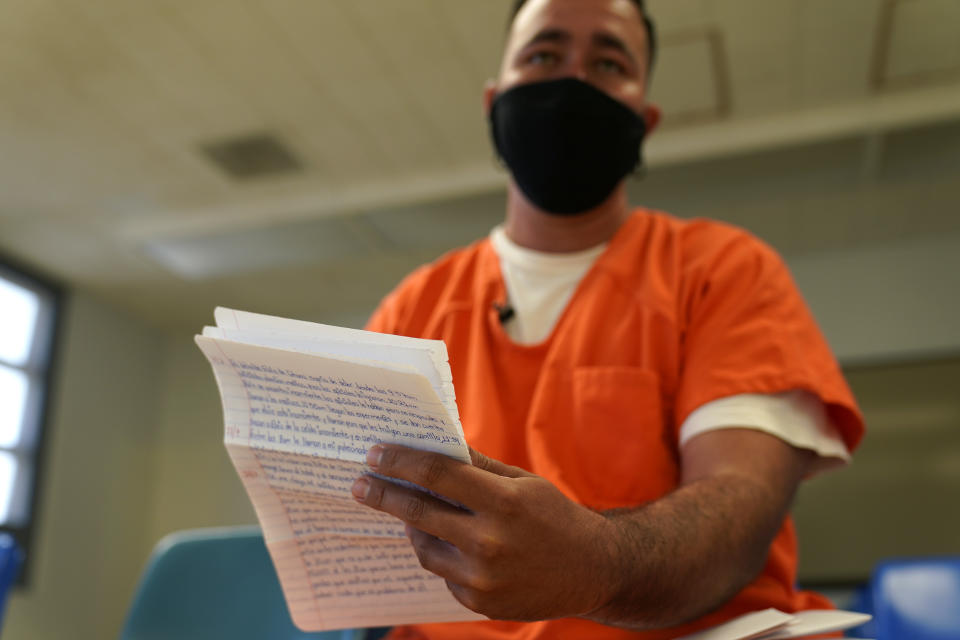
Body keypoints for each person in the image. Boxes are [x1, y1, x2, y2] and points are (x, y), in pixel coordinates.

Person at [350, 0, 865, 638]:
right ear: (494, 102)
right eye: (544, 54)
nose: (573, 81)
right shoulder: (411, 309)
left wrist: (594, 564)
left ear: (643, 119)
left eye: (608, 62)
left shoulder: (723, 271)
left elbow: (740, 510)